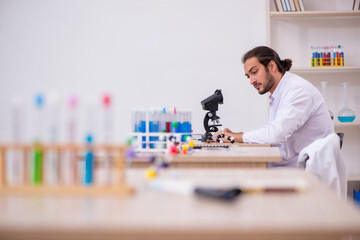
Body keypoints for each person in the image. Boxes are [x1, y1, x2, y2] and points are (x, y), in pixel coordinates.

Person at [214, 46, 334, 167]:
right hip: (288, 163)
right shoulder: (282, 91)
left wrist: (238, 137)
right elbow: (273, 130)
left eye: (254, 72)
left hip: (303, 170)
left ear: (272, 66)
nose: (251, 81)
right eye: (248, 76)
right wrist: (238, 135)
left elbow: (276, 135)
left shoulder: (298, 91)